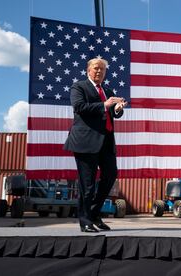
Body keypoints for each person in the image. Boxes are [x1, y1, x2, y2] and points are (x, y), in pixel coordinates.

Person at [64, 58, 127, 232]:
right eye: (96, 68)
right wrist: (105, 105)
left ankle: (93, 214)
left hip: (106, 141)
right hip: (85, 142)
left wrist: (117, 109)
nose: (99, 71)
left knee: (110, 176)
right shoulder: (79, 87)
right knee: (88, 184)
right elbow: (79, 107)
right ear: (88, 70)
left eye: (102, 69)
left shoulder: (107, 90)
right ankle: (85, 221)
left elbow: (112, 114)